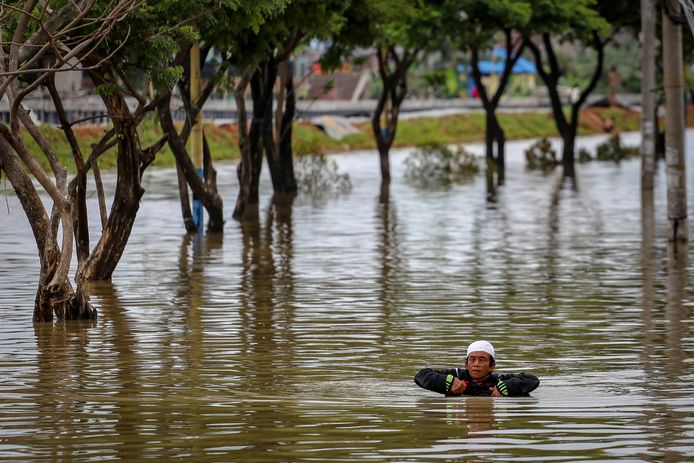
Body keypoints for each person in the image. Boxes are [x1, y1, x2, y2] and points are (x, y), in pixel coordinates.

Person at [414, 340, 539, 397]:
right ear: (466, 364)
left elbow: (532, 380)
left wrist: (506, 388)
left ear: (492, 366)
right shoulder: (456, 375)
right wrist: (448, 382)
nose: (476, 364)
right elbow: (421, 375)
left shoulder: (500, 380)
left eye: (482, 360)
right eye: (472, 359)